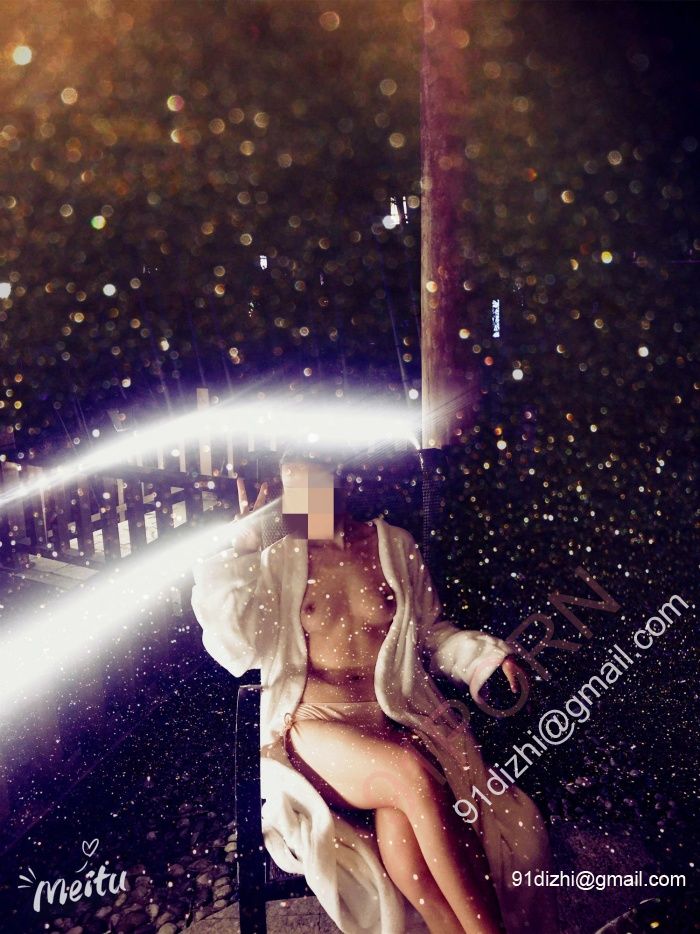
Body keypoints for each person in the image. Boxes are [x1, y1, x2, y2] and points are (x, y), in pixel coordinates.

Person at [190, 445, 557, 934]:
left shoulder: (395, 546)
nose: (298, 501)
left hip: (392, 719)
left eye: (310, 485)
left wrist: (484, 658)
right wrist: (237, 549)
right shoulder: (278, 559)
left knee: (405, 829)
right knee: (412, 776)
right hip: (315, 726)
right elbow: (236, 648)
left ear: (338, 480)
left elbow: (432, 634)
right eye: (290, 488)